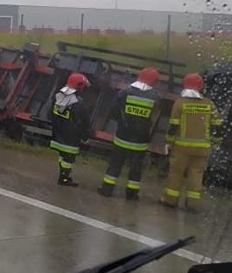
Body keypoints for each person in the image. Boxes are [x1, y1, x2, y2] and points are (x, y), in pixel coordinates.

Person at [160, 73, 223, 211]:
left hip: (182, 147)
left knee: (176, 174)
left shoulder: (180, 103)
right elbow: (218, 124)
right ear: (200, 87)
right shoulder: (208, 104)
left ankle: (170, 200)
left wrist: (168, 142)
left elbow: (173, 126)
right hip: (202, 149)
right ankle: (193, 205)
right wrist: (214, 142)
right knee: (196, 176)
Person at [98, 67, 160, 200]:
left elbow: (114, 109)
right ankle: (132, 194)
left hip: (123, 135)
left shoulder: (125, 92)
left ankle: (107, 189)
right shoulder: (155, 97)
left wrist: (122, 121)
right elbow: (154, 116)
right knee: (136, 168)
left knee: (115, 164)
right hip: (140, 139)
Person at [50, 72, 92, 187]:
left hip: (58, 133)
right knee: (69, 159)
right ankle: (64, 179)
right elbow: (83, 122)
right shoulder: (78, 102)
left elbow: (51, 114)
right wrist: (85, 137)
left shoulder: (58, 95)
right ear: (79, 86)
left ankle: (62, 174)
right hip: (71, 137)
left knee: (62, 155)